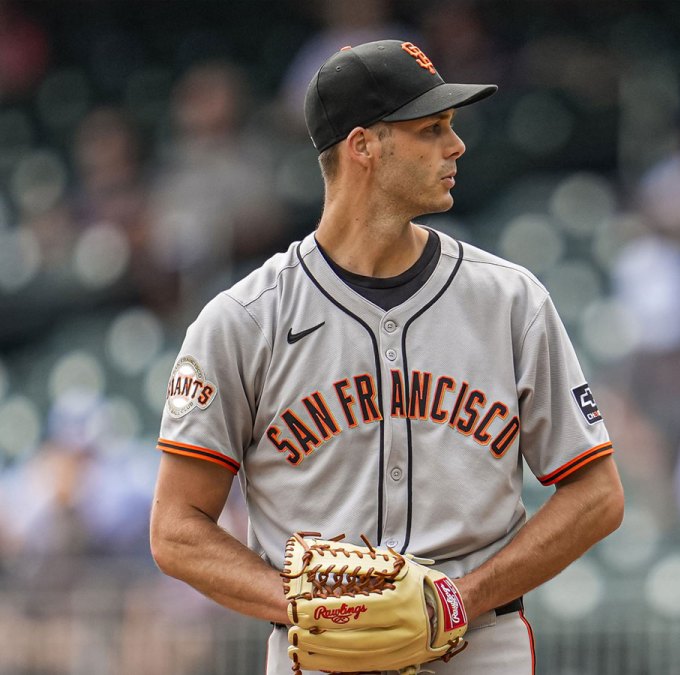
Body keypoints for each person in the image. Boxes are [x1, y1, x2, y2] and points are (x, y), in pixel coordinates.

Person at [148, 39, 625, 675]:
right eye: (431, 130)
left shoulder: (511, 301)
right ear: (363, 147)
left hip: (478, 644)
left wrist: (458, 600)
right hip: (321, 654)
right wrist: (305, 606)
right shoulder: (245, 320)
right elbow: (176, 527)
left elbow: (598, 495)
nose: (456, 146)